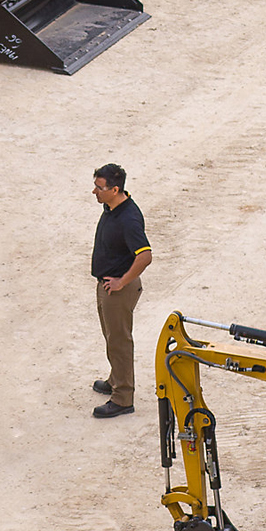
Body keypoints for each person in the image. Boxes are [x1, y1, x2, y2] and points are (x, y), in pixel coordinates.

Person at [89, 163, 151, 418]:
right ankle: (116, 379)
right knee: (111, 338)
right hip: (107, 286)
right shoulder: (112, 206)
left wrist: (122, 282)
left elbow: (145, 256)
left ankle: (123, 398)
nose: (94, 192)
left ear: (116, 190)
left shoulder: (129, 219)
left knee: (120, 343)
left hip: (119, 291)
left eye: (100, 188)